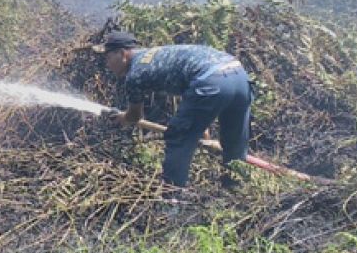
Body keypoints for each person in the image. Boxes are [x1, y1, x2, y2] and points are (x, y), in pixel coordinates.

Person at [93, 31, 252, 188]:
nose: (107, 64)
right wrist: (201, 128)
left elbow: (135, 116)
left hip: (211, 82)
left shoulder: (135, 75)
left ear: (122, 53)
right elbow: (193, 81)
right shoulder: (153, 55)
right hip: (237, 74)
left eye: (108, 57)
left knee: (178, 137)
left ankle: (173, 200)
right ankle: (235, 188)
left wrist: (123, 117)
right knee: (234, 142)